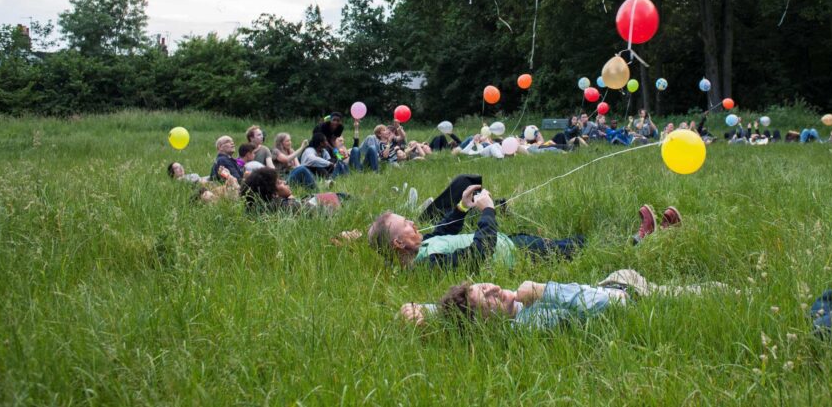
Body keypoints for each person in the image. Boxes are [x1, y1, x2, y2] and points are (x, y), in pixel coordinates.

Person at [366, 181, 584, 270]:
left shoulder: (422, 247)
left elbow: (443, 231)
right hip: (518, 253)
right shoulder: (429, 264)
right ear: (398, 242)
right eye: (405, 223)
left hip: (509, 242)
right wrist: (488, 210)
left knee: (564, 244)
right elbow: (480, 252)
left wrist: (461, 206)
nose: (413, 222)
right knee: (576, 247)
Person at [435, 270, 730, 328]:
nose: (494, 290)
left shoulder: (518, 308)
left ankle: (652, 236)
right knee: (715, 291)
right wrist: (543, 289)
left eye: (485, 285)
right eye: (485, 299)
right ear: (482, 324)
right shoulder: (527, 326)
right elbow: (610, 308)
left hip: (614, 283)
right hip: (634, 301)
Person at [240, 167, 344, 214]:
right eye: (279, 183)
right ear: (273, 193)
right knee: (338, 196)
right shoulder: (288, 206)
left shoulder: (259, 207)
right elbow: (329, 212)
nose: (285, 182)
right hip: (322, 205)